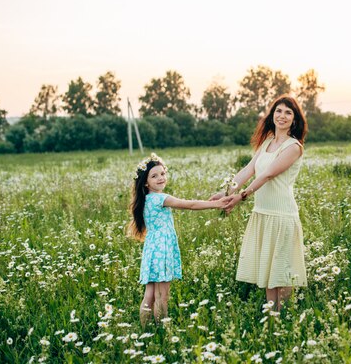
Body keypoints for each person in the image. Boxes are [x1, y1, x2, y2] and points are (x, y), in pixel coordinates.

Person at [214, 95, 308, 311]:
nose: (282, 116)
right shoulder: (266, 143)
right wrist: (226, 191)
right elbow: (248, 170)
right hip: (263, 213)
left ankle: (284, 320)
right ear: (272, 115)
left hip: (281, 215)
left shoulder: (293, 147)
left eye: (288, 112)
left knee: (281, 272)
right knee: (268, 272)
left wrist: (240, 197)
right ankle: (272, 321)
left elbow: (267, 175)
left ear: (294, 120)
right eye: (278, 111)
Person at [127, 152, 230, 327]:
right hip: (163, 249)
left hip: (152, 249)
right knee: (162, 296)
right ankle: (162, 330)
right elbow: (189, 205)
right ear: (146, 182)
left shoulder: (145, 200)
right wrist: (215, 204)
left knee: (150, 294)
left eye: (162, 173)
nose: (161, 178)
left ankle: (145, 330)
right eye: (154, 176)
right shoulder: (160, 199)